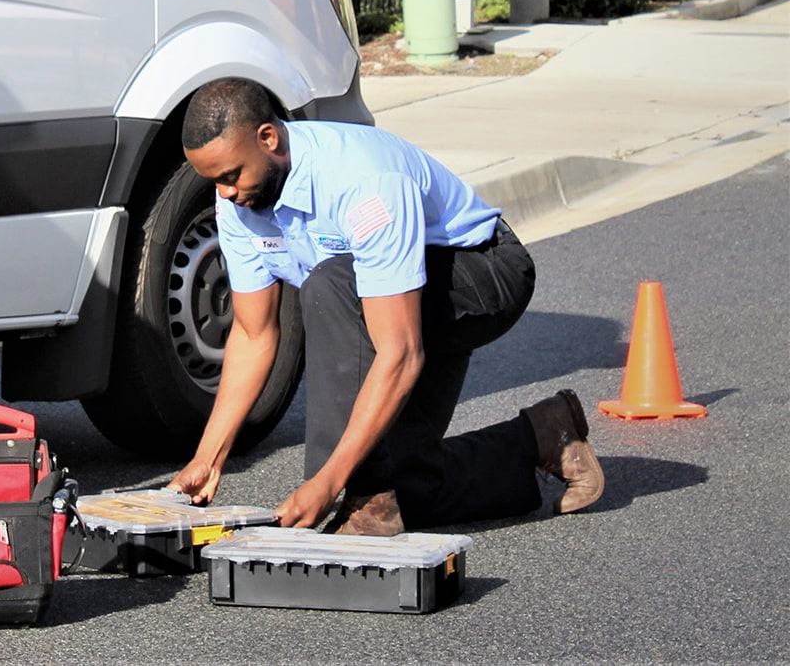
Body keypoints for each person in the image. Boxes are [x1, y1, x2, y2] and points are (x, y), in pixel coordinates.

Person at [170, 77, 603, 534]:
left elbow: (400, 352)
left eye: (231, 175)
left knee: (330, 284)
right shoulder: (237, 203)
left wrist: (329, 482)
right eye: (213, 180)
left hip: (482, 274)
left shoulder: (365, 182)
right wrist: (208, 456)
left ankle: (361, 499)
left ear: (268, 138)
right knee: (406, 484)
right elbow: (254, 333)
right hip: (387, 296)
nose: (224, 193)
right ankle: (545, 434)